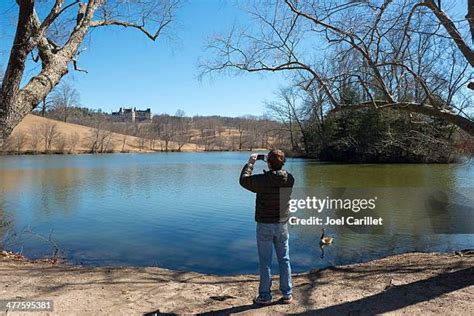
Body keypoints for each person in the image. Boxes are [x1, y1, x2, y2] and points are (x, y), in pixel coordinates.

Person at [239, 149, 295, 305]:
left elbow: (244, 180)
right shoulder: (290, 179)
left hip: (265, 225)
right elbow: (278, 174)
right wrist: (273, 163)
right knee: (284, 259)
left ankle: (265, 296)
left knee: (265, 261)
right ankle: (287, 294)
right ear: (283, 163)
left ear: (269, 163)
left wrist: (250, 163)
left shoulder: (262, 180)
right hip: (282, 224)